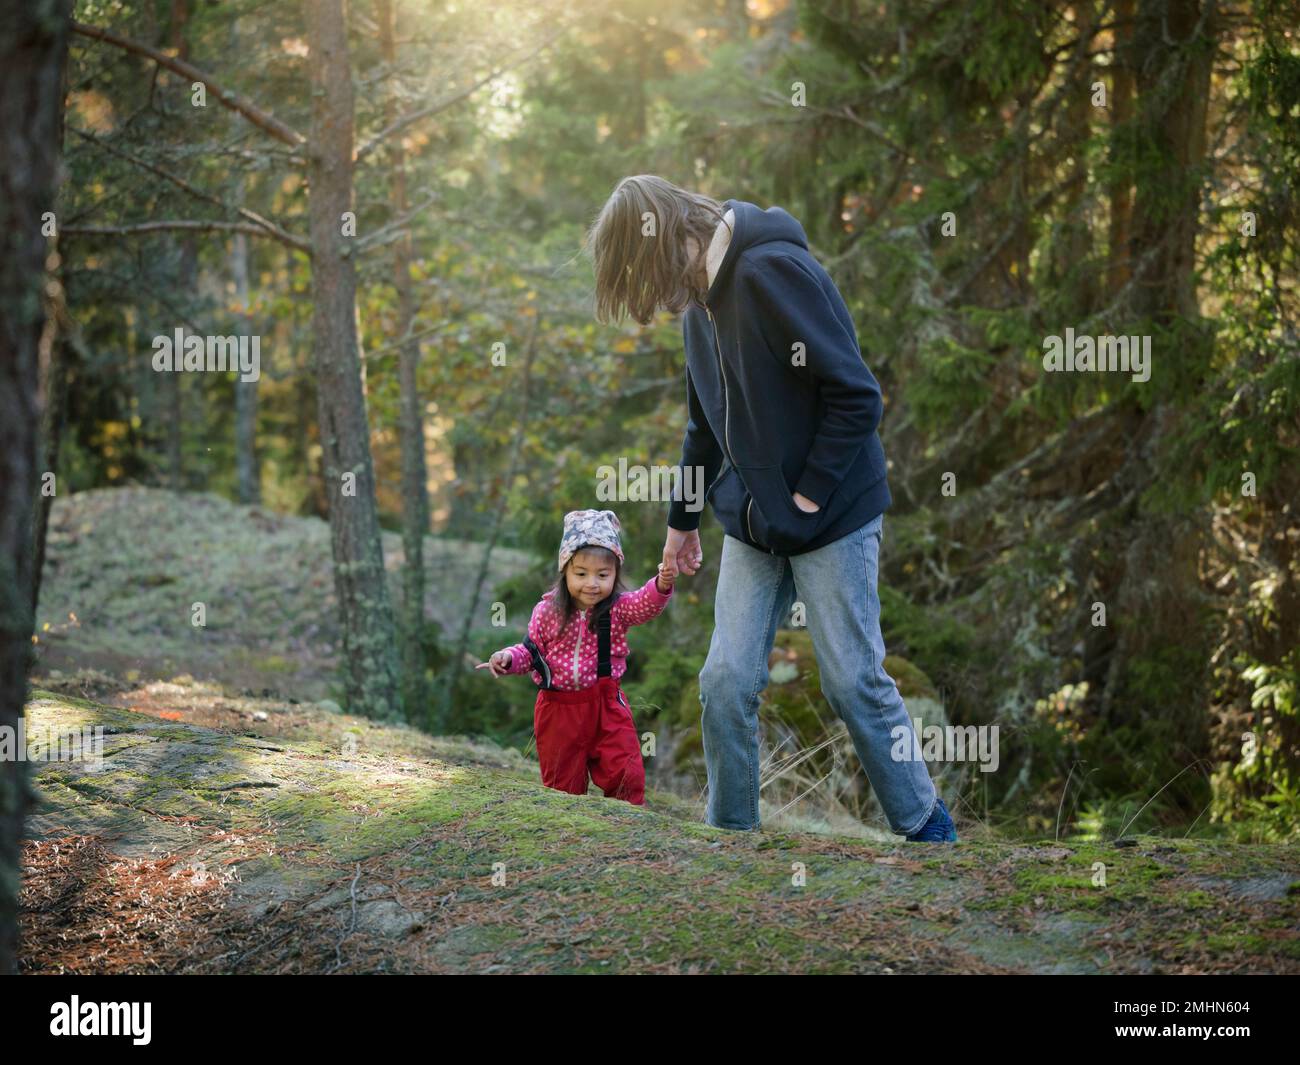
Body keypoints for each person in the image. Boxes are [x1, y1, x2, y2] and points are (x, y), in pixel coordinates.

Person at [584, 175, 957, 841]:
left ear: (671, 243)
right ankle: (731, 838)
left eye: (646, 280)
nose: (657, 304)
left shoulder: (770, 272)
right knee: (725, 680)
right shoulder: (697, 300)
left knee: (852, 682)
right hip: (754, 524)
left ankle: (928, 827)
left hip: (834, 513)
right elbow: (704, 424)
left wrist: (806, 496)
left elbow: (856, 395)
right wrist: (682, 522)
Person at [479, 508, 674, 805]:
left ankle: (626, 826)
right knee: (563, 785)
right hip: (558, 710)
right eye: (581, 574)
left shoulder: (618, 609)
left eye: (603, 575)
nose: (592, 583)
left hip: (605, 706)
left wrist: (662, 584)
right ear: (565, 571)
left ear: (615, 574)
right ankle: (569, 831)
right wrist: (507, 657)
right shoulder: (548, 612)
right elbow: (530, 651)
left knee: (625, 771)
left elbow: (644, 605)